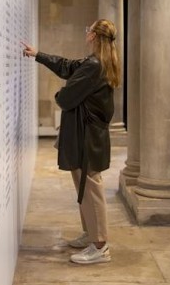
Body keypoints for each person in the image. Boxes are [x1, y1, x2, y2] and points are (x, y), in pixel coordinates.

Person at [21, 19, 120, 264]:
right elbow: (66, 66)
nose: (86, 32)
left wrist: (58, 94)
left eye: (89, 30)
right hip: (86, 135)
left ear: (94, 36)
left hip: (87, 137)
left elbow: (66, 99)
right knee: (85, 188)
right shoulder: (96, 62)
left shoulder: (94, 65)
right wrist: (38, 55)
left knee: (91, 187)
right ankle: (92, 235)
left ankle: (100, 247)